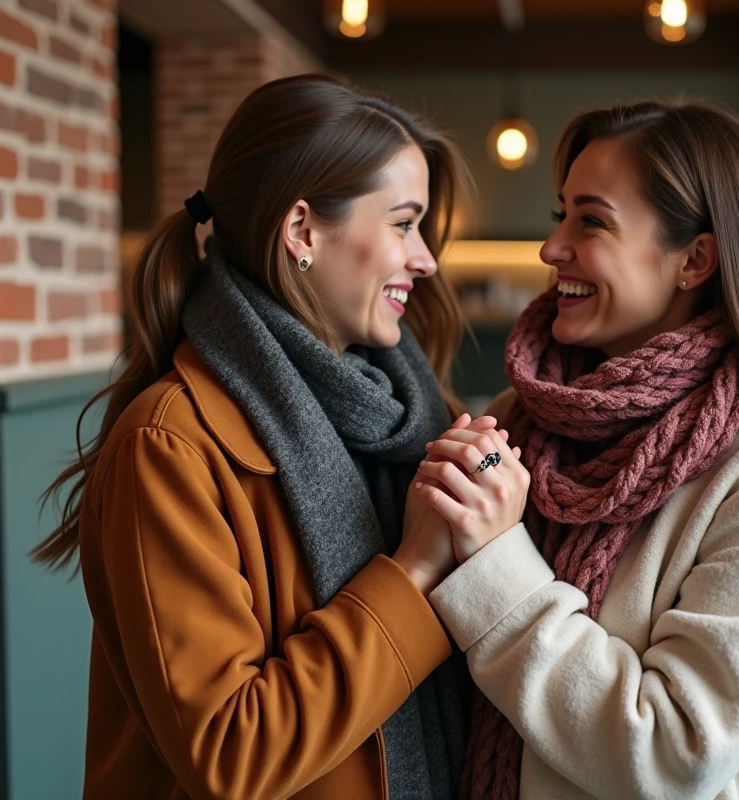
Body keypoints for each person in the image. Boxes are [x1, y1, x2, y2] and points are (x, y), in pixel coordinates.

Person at [33, 73, 494, 800]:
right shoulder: (170, 445)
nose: (426, 259)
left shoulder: (413, 412)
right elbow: (230, 755)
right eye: (404, 224)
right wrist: (417, 572)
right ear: (303, 229)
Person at [413, 99, 739, 800]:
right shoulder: (519, 419)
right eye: (559, 215)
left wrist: (495, 562)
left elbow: (674, 752)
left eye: (591, 221)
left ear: (694, 259)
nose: (552, 248)